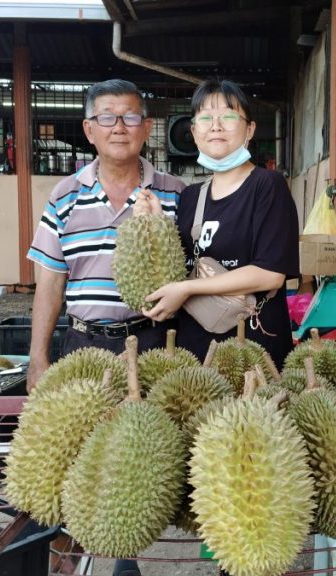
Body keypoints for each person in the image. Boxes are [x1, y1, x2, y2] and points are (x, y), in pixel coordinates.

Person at [26, 78, 185, 393]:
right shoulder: (64, 195)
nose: (120, 127)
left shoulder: (175, 192)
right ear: (89, 130)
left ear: (146, 126)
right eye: (107, 117)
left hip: (155, 343)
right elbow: (50, 285)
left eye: (130, 117)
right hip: (84, 345)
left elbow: (189, 274)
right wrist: (37, 358)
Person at [141, 79, 299, 368]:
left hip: (253, 346)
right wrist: (155, 223)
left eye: (228, 116)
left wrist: (187, 290)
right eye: (205, 118)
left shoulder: (268, 186)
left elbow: (270, 274)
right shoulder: (190, 197)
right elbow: (182, 266)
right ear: (194, 131)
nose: (216, 126)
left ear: (249, 129)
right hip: (196, 349)